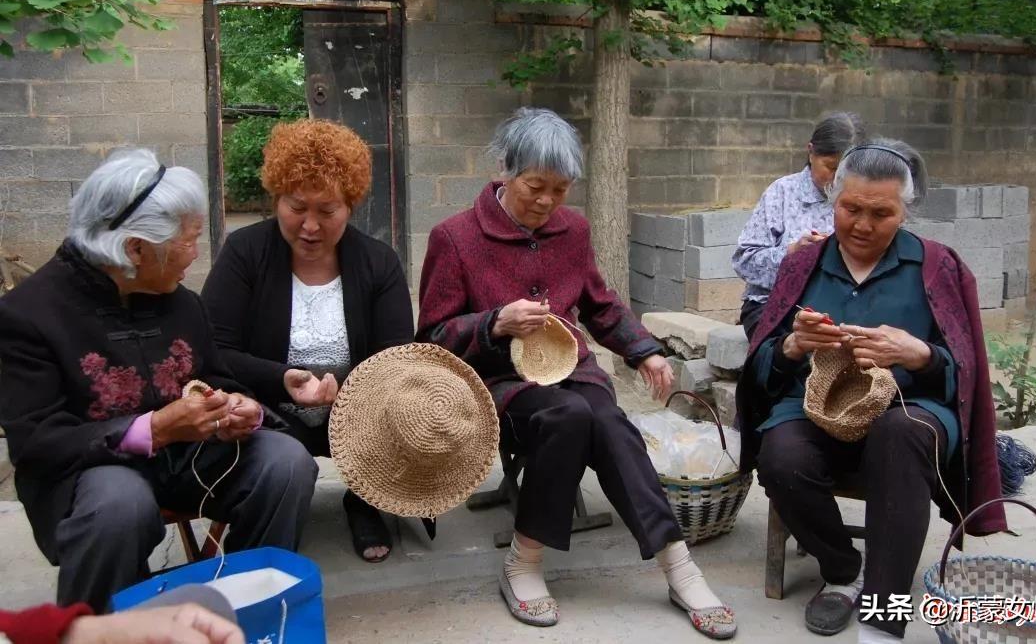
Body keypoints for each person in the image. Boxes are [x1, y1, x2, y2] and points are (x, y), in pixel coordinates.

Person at [417, 107, 736, 639]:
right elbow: (431, 337)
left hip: (571, 370)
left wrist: (645, 352)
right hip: (499, 383)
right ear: (504, 170)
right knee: (567, 417)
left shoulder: (573, 230)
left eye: (560, 190)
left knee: (609, 421)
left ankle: (678, 565)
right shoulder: (454, 238)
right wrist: (495, 323)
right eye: (534, 186)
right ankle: (525, 562)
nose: (546, 202)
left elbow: (600, 305)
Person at [0, 150, 317, 613]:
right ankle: (100, 627)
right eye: (187, 241)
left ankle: (249, 608)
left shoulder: (181, 302)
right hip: (91, 478)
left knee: (285, 461)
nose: (195, 252)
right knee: (119, 503)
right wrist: (156, 429)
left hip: (188, 462)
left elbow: (217, 376)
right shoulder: (29, 315)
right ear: (135, 249)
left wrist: (237, 408)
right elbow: (38, 444)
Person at [734, 140, 1006, 643]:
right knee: (781, 457)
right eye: (850, 208)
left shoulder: (937, 266)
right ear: (832, 199)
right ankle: (843, 569)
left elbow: (964, 375)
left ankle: (883, 619)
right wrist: (793, 346)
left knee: (900, 434)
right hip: (814, 406)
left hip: (910, 407)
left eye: (881, 213)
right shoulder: (802, 264)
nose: (862, 224)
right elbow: (763, 369)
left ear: (906, 211)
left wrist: (918, 354)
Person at [202, 119, 414, 563]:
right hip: (270, 409)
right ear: (276, 197)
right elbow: (214, 350)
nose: (311, 226)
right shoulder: (244, 253)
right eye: (297, 207)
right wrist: (282, 380)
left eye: (328, 210)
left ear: (351, 206)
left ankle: (365, 497)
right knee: (274, 453)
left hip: (358, 410)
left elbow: (397, 356)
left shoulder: (379, 262)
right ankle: (273, 509)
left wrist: (349, 387)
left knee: (413, 397)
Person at [732, 112, 865, 339]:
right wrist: (793, 254)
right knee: (801, 348)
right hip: (775, 306)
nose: (837, 179)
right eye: (831, 167)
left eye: (847, 171)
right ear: (811, 152)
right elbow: (744, 262)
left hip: (842, 308)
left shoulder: (864, 199)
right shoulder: (782, 193)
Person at [2, 585, 243, 643]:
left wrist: (92, 633)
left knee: (207, 606)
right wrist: (137, 451)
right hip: (94, 473)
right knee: (119, 503)